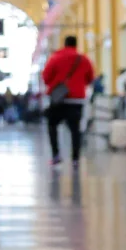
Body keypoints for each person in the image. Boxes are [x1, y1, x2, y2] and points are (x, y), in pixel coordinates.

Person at [41, 35, 95, 166]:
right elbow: (90, 78)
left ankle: (56, 155)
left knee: (52, 125)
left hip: (59, 100)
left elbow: (46, 77)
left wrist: (56, 84)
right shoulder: (84, 59)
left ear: (64, 44)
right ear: (76, 45)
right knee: (75, 129)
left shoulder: (56, 57)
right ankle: (75, 158)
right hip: (76, 100)